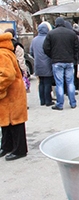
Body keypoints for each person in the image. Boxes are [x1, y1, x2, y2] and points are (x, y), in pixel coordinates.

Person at [0, 31, 28, 161]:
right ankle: (7, 146)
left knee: (15, 122)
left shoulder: (2, 53)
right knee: (7, 122)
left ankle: (19, 149)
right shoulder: (5, 51)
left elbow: (7, 75)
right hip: (11, 94)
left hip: (11, 94)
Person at [43, 17, 79, 110]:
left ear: (55, 24)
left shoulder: (51, 34)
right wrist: (72, 55)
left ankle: (60, 104)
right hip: (69, 61)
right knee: (70, 82)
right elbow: (77, 47)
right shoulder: (72, 33)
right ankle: (73, 102)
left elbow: (45, 48)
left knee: (59, 83)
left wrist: (52, 55)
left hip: (57, 61)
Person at [30, 22, 54, 107]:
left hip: (38, 64)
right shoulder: (48, 39)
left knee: (41, 83)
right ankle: (48, 101)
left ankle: (42, 100)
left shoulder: (34, 40)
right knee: (47, 82)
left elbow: (31, 52)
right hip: (47, 63)